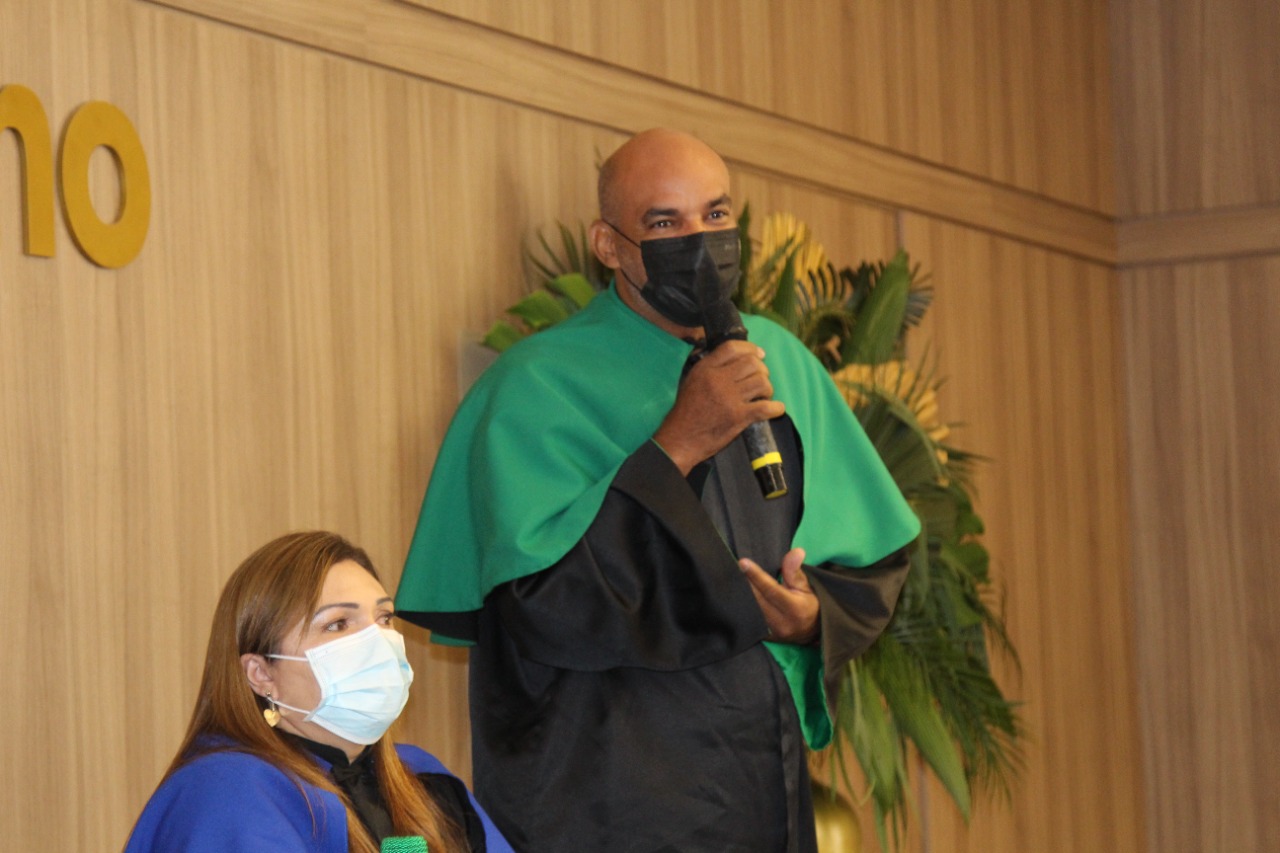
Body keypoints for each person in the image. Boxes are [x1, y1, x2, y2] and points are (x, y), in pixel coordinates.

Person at [395, 128, 921, 852]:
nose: (699, 241)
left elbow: (872, 562)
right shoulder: (535, 384)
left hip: (760, 785)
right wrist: (680, 441)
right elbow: (543, 606)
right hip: (600, 789)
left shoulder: (780, 361)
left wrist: (811, 617)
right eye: (665, 223)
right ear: (608, 246)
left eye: (716, 214)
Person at [124, 531, 514, 853]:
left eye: (384, 618)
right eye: (338, 624)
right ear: (261, 673)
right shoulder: (229, 791)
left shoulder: (424, 778)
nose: (377, 641)